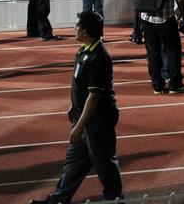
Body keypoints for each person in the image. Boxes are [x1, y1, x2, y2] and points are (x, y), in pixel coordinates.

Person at [29, 12, 123, 204]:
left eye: (77, 26)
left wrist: (80, 125)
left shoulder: (99, 57)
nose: (74, 29)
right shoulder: (83, 51)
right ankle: (58, 200)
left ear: (86, 31)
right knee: (73, 164)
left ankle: (115, 200)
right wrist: (74, 107)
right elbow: (80, 87)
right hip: (82, 117)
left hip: (97, 120)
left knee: (105, 164)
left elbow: (94, 95)